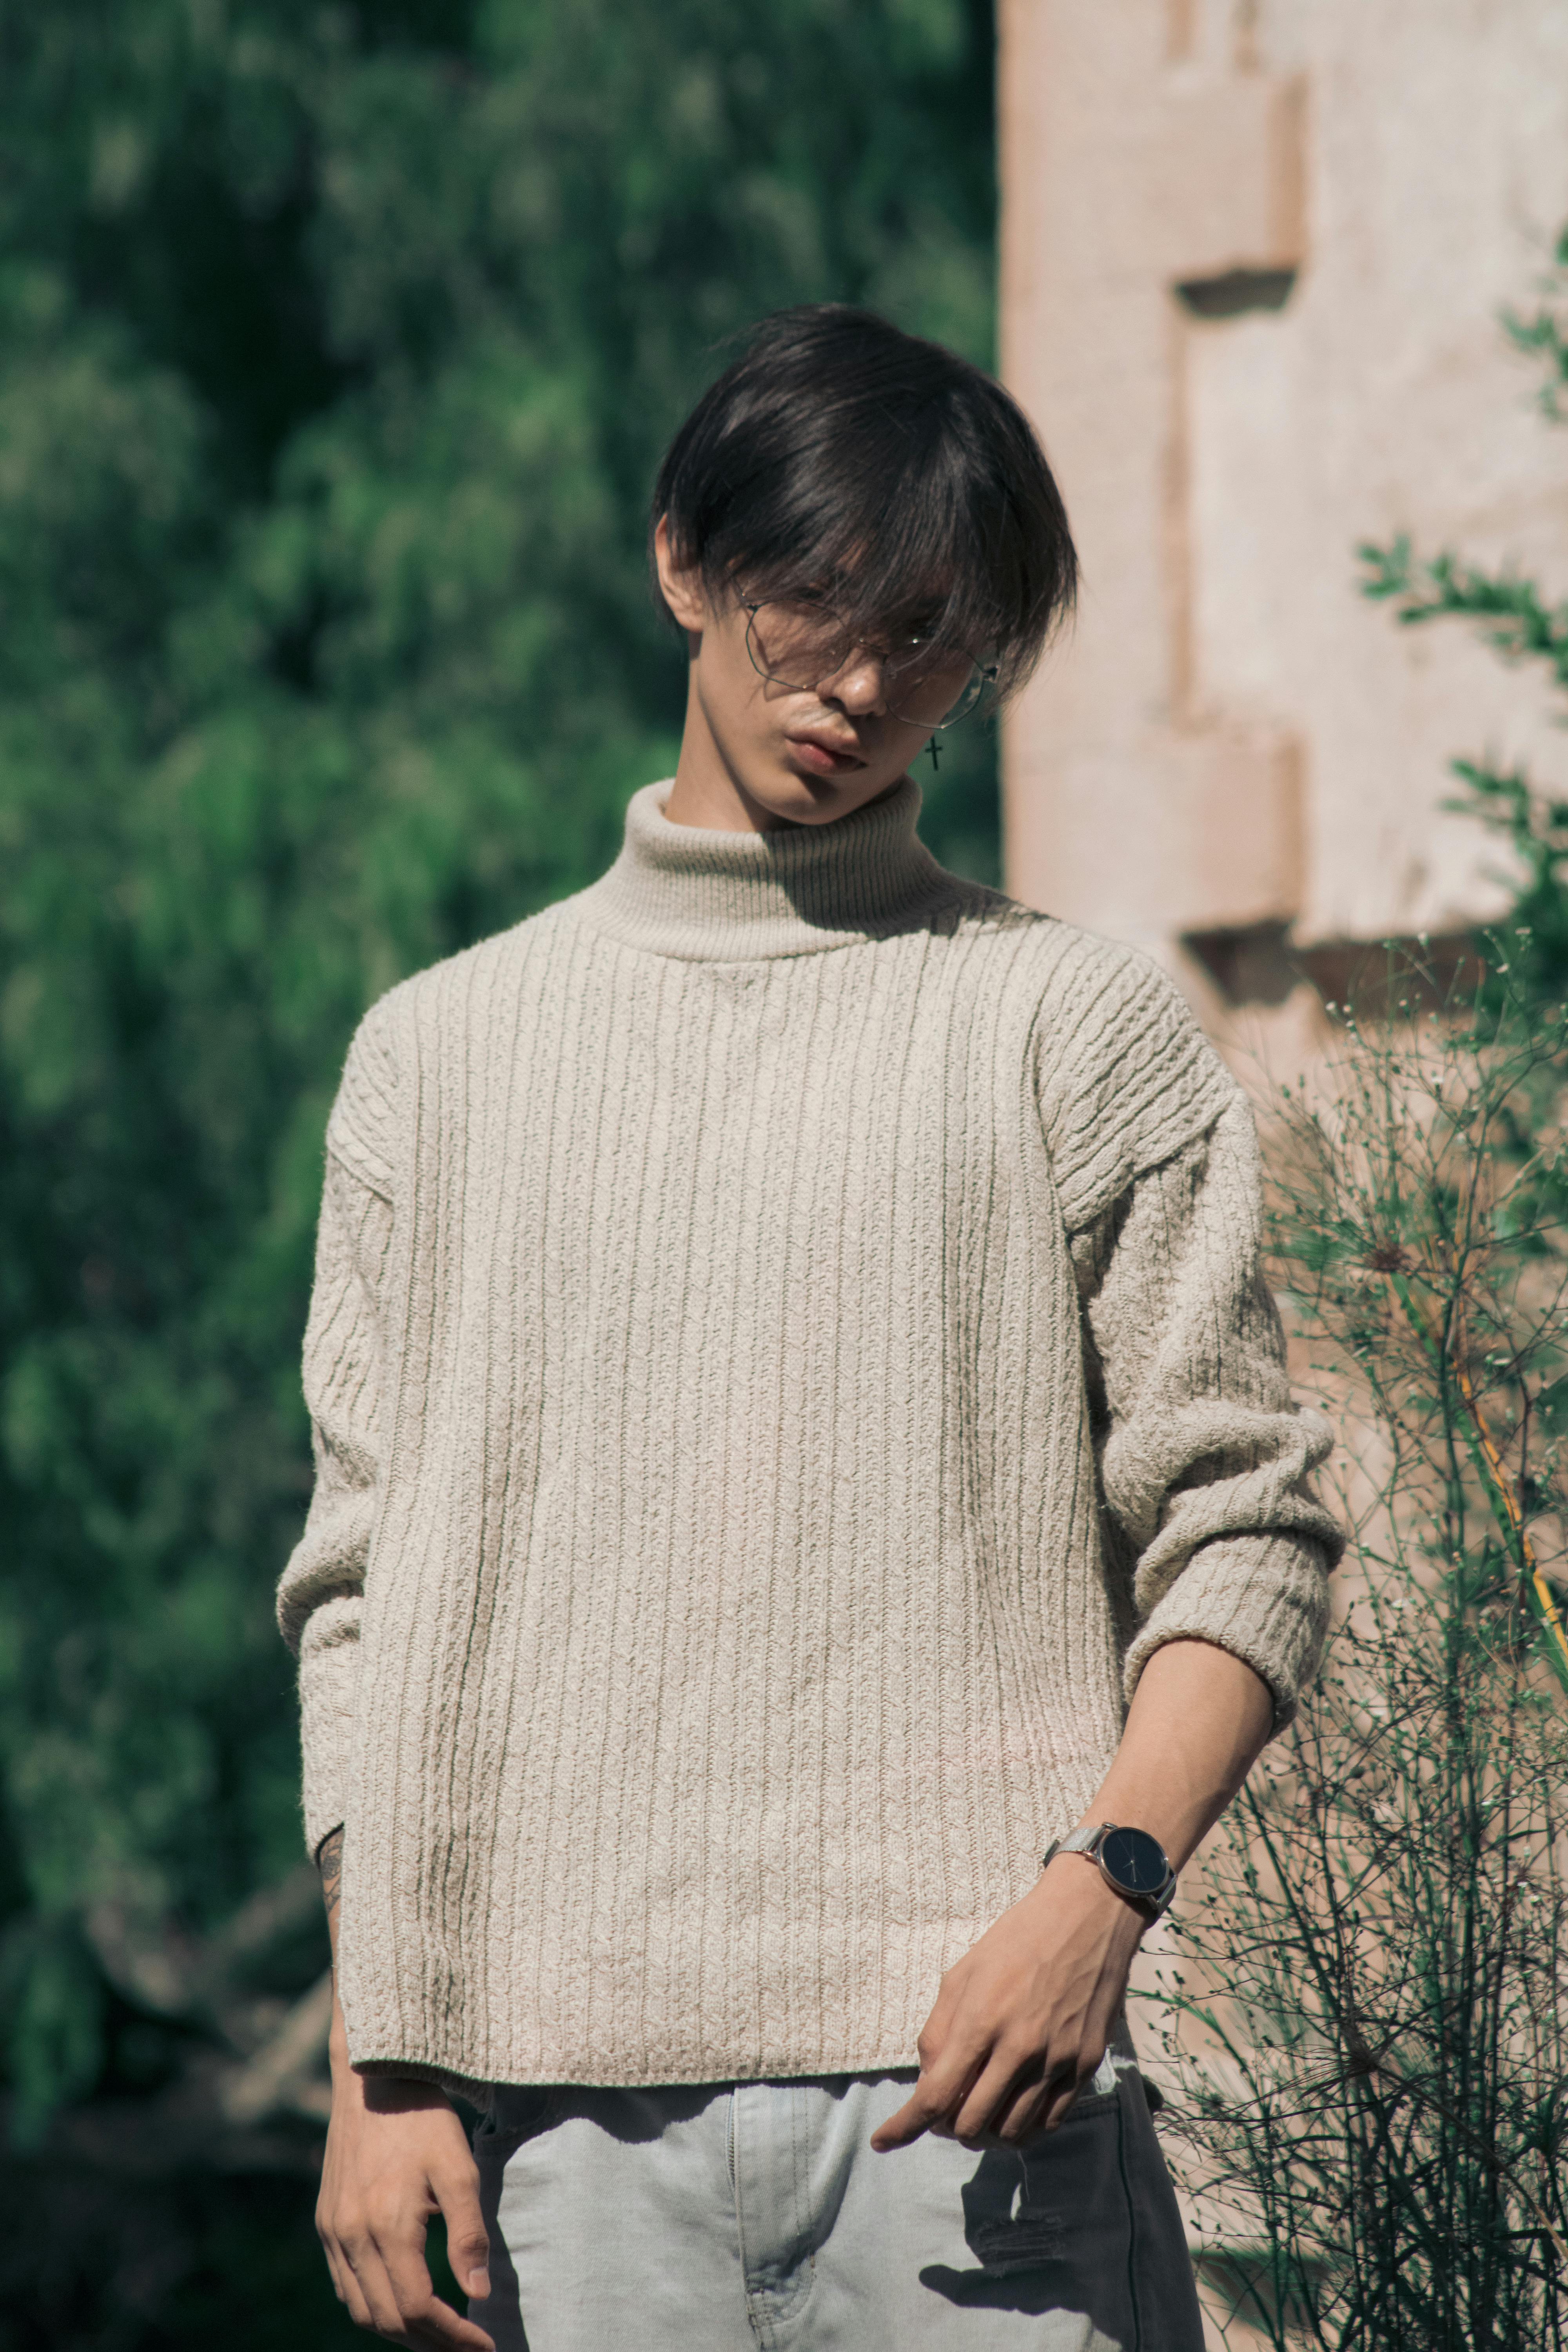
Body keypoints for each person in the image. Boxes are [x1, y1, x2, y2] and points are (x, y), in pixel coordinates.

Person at [277, 305, 1341, 2352]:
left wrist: (1100, 1890)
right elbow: (361, 1611)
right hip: (549, 2146)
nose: (858, 686)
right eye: (812, 605)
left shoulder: (1071, 1021)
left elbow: (1253, 1521)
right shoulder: (439, 1061)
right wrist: (375, 2064)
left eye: (932, 637)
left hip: (982, 2121)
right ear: (685, 558)